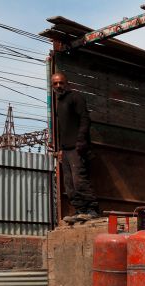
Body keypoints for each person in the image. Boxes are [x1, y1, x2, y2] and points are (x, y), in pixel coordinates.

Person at [51, 72, 99, 222]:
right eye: (55, 84)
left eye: (61, 83)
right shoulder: (59, 103)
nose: (59, 86)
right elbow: (61, 128)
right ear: (52, 86)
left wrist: (81, 141)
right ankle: (80, 210)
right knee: (69, 184)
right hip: (65, 150)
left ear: (67, 83)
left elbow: (85, 119)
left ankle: (92, 210)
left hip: (77, 147)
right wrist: (59, 149)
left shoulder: (75, 97)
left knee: (79, 180)